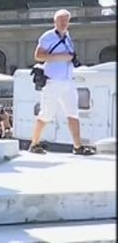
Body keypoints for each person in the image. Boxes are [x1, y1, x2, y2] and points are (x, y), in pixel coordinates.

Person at [28, 9, 95, 155]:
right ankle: (34, 143)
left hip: (68, 81)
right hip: (53, 81)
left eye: (66, 20)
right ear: (55, 22)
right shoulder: (48, 36)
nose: (64, 23)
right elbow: (38, 56)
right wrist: (62, 57)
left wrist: (70, 58)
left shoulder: (68, 37)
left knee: (73, 113)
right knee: (46, 114)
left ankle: (78, 146)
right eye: (61, 20)